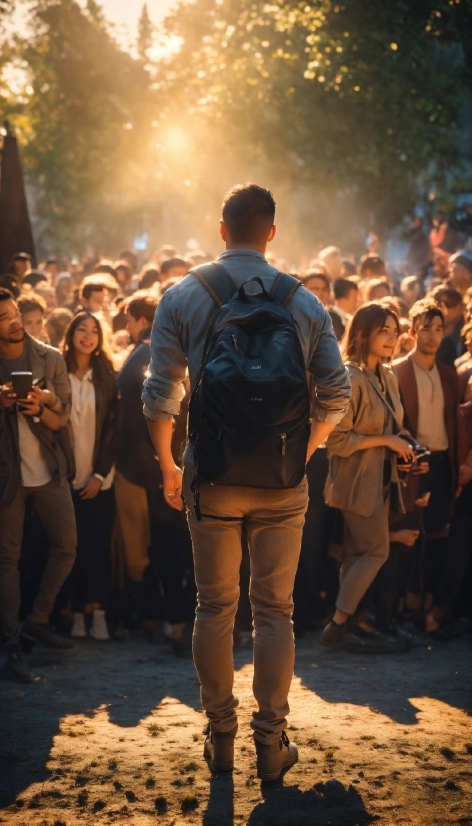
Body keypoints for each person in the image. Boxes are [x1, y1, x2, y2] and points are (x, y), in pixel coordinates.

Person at [143, 183, 351, 781]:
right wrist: (302, 452)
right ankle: (271, 742)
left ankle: (220, 735)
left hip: (211, 475)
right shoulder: (304, 301)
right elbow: (337, 395)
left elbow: (161, 394)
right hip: (282, 480)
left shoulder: (185, 294)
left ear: (220, 228)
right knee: (275, 611)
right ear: (272, 233)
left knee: (214, 607)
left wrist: (169, 466)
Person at [321, 303, 415, 652]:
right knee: (376, 551)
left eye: (394, 330)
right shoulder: (350, 377)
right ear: (363, 334)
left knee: (357, 555)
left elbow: (395, 426)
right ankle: (337, 625)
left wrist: (406, 446)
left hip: (383, 479)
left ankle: (352, 623)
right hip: (356, 482)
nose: (393, 338)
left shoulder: (387, 375)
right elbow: (337, 440)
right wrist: (386, 441)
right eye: (384, 331)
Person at [0, 288, 76, 683]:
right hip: (7, 478)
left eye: (13, 312)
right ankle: (12, 644)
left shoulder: (50, 356)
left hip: (48, 469)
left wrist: (42, 405)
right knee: (7, 561)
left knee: (67, 546)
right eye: (4, 317)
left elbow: (62, 417)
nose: (13, 321)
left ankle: (39, 619)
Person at [393, 299, 460, 618]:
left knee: (437, 534)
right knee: (408, 533)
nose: (433, 336)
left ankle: (427, 607)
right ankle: (404, 605)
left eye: (438, 329)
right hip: (411, 463)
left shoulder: (449, 375)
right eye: (426, 329)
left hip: (443, 462)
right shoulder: (398, 372)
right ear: (412, 332)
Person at [63, 312, 117, 641]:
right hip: (66, 478)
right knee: (72, 550)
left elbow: (113, 428)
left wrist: (99, 474)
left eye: (94, 331)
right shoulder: (58, 370)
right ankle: (76, 615)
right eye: (81, 329)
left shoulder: (105, 372)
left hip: (100, 478)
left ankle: (99, 614)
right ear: (71, 334)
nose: (87, 335)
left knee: (98, 548)